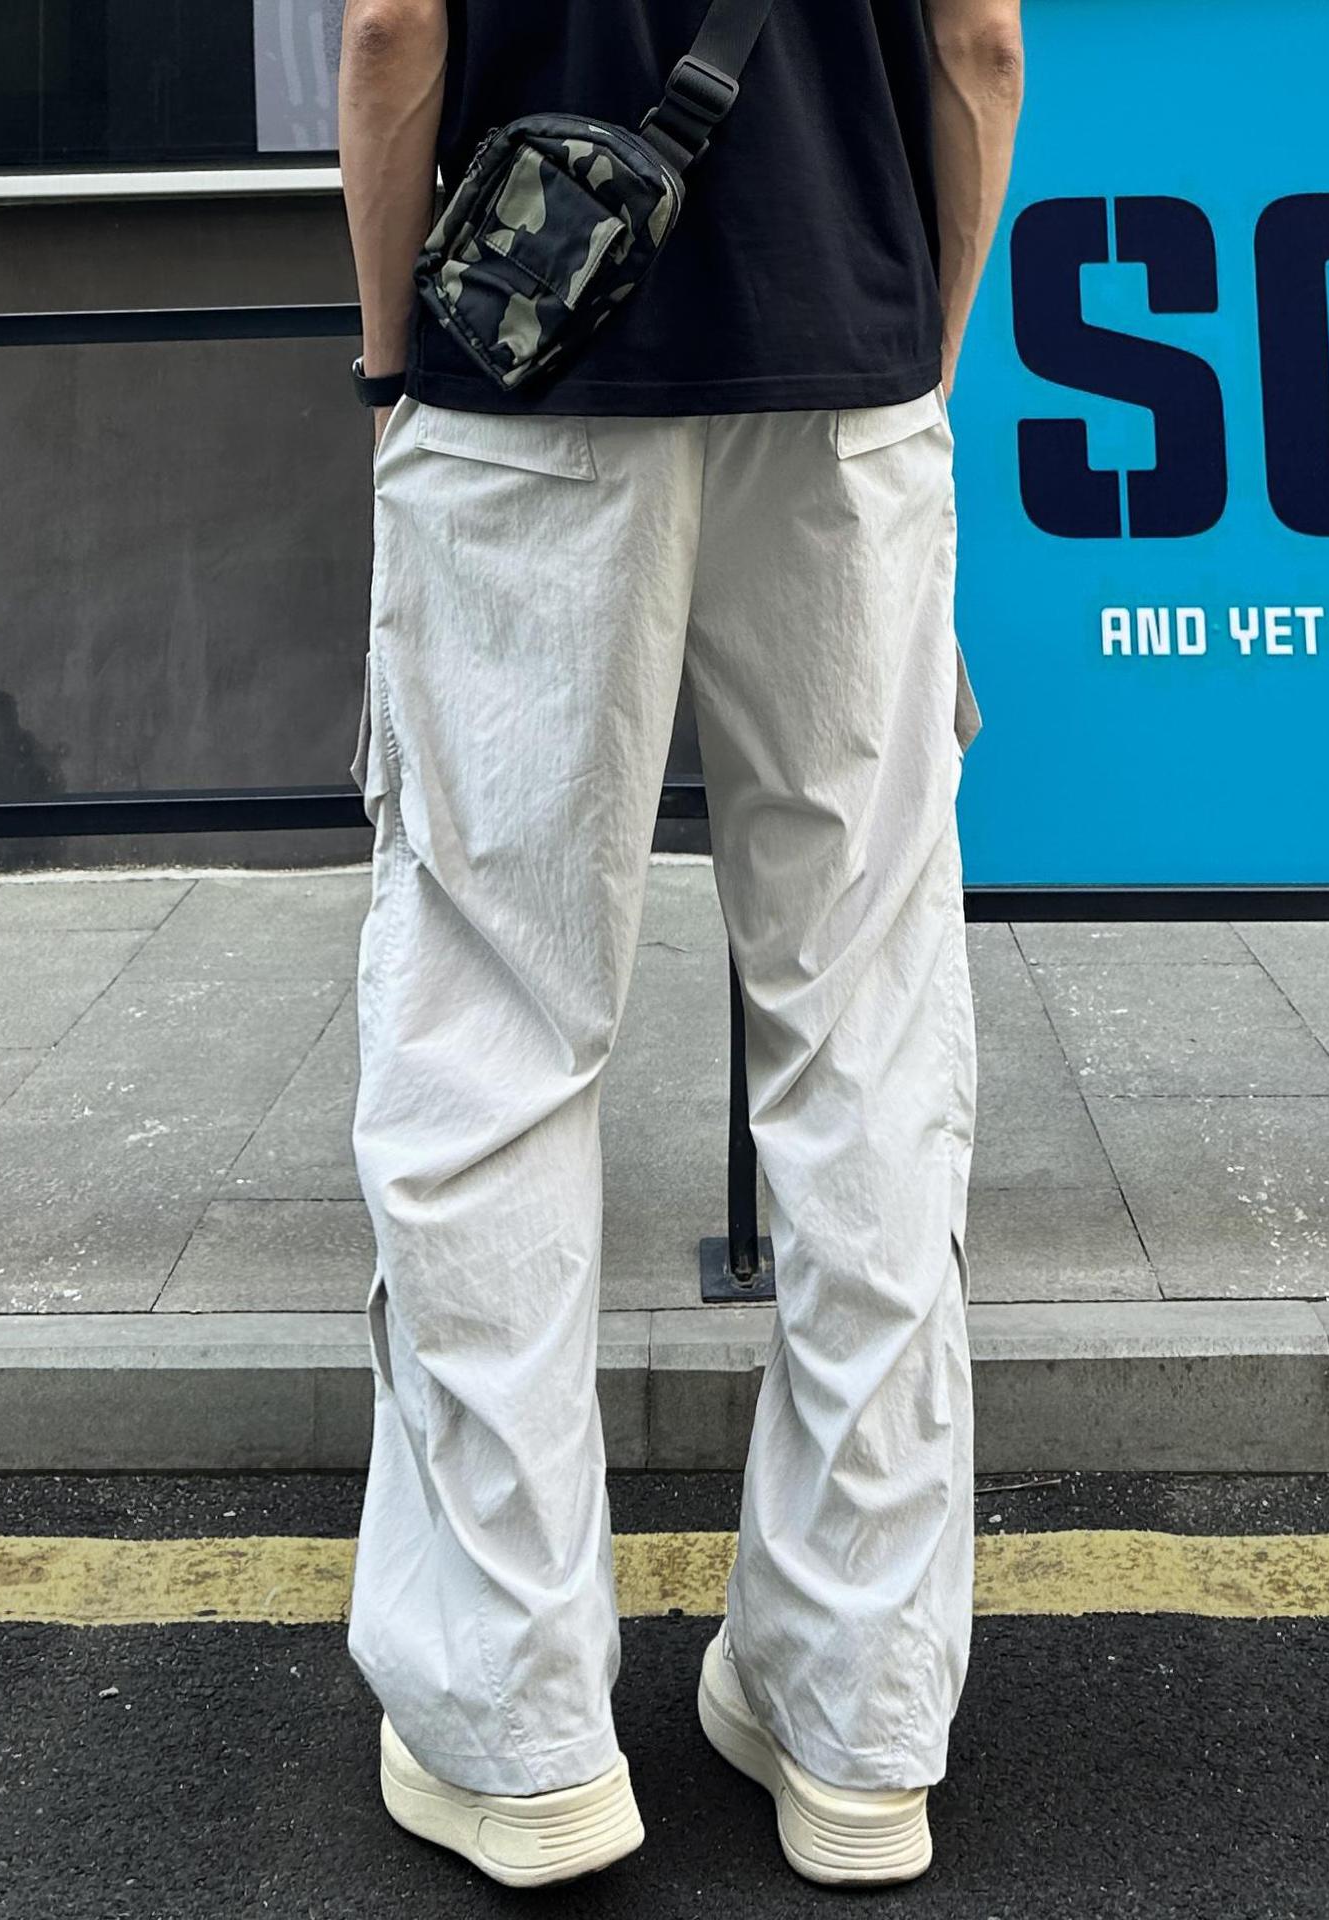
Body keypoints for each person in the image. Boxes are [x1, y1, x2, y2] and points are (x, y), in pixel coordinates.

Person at [334, 0, 1024, 1890]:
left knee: (493, 1034)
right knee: (863, 1034)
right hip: (850, 381)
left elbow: (391, 34)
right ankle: (854, 1724)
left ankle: (522, 1735)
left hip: (530, 381)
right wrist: (913, 365)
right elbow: (978, 49)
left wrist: (391, 368)